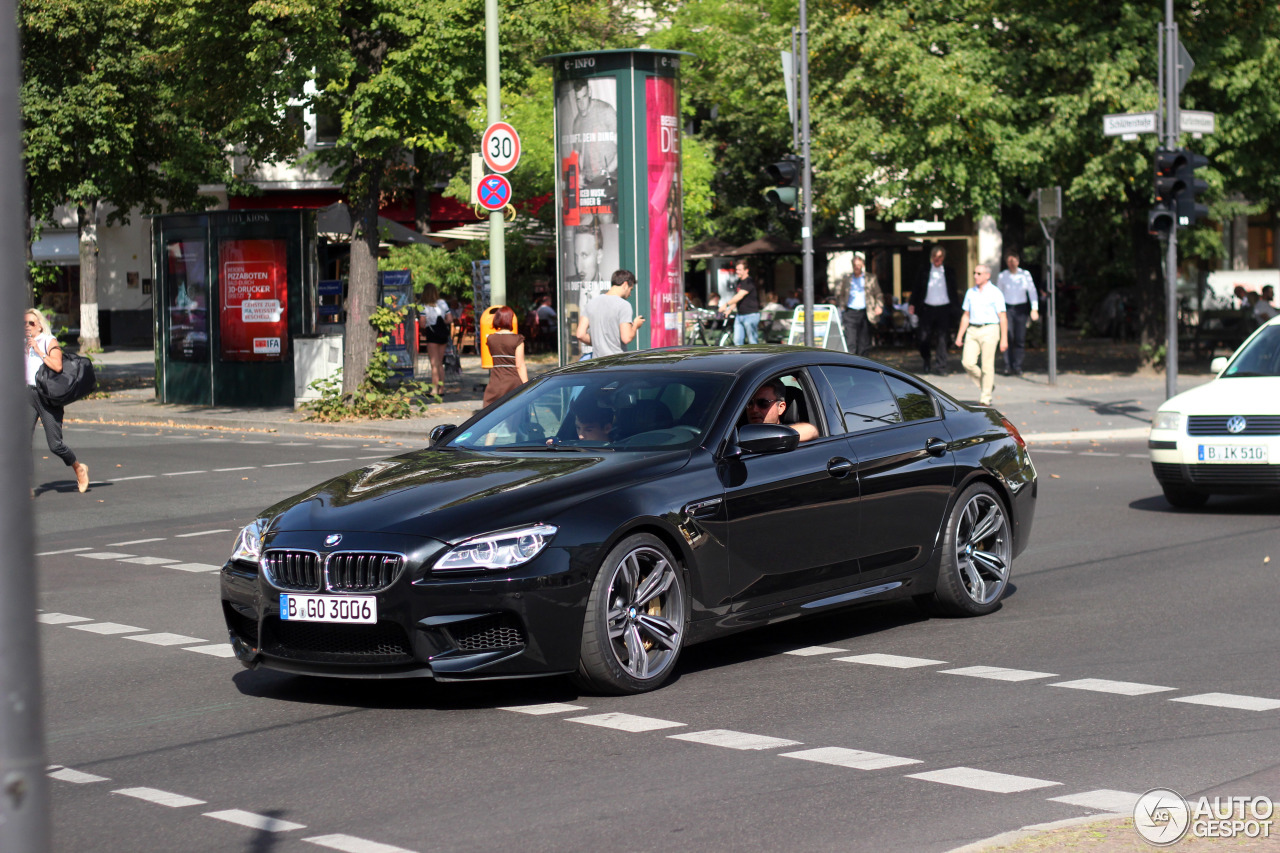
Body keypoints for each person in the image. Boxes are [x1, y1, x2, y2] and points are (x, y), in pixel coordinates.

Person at [25, 309, 89, 493]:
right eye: (24, 324)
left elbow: (58, 366)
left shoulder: (49, 341)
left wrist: (38, 351)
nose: (27, 327)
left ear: (40, 325)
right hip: (27, 395)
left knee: (55, 445)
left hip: (46, 396)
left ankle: (78, 467)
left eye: (31, 323)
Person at [955, 265, 1008, 406]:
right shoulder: (970, 292)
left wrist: (1004, 339)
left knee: (987, 365)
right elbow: (966, 315)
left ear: (987, 275)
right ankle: (987, 384)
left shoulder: (995, 292)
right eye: (974, 272)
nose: (975, 276)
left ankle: (986, 397)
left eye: (978, 273)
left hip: (990, 329)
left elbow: (1003, 316)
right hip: (973, 329)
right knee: (967, 362)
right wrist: (959, 336)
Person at [909, 247, 959, 374]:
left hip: (944, 308)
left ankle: (941, 366)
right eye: (935, 256)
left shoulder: (949, 271)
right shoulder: (924, 271)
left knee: (943, 338)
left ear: (943, 258)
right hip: (927, 308)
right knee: (923, 337)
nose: (937, 259)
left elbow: (953, 291)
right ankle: (926, 360)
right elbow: (916, 288)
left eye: (940, 256)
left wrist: (956, 308)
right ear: (931, 257)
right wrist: (912, 303)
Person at [576, 269, 645, 358]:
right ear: (625, 284)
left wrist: (599, 343)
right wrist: (635, 325)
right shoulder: (624, 305)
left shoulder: (591, 303)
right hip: (616, 363)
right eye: (631, 289)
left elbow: (580, 334)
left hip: (597, 363)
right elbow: (626, 337)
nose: (630, 294)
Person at [996, 252, 1039, 376]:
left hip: (1021, 308)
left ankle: (1018, 365)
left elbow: (1032, 292)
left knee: (1020, 337)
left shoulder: (1025, 275)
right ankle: (1007, 365)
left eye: (1014, 261)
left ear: (1018, 262)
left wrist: (1034, 308)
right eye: (1009, 261)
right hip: (1007, 308)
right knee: (1008, 335)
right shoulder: (1002, 275)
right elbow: (999, 294)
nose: (1012, 264)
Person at [833, 255, 885, 357]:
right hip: (850, 313)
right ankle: (851, 364)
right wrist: (842, 305)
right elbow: (840, 293)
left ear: (863, 265)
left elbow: (878, 294)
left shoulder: (870, 278)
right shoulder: (847, 279)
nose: (857, 268)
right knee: (851, 342)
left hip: (865, 312)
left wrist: (879, 306)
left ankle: (862, 365)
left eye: (859, 265)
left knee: (864, 343)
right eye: (855, 265)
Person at [571, 79, 618, 189]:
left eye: (584, 97)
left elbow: (623, 145)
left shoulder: (606, 110)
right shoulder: (577, 122)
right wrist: (579, 175)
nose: (581, 103)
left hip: (611, 178)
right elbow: (577, 154)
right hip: (590, 182)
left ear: (590, 92)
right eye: (578, 99)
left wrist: (608, 171)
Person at [744, 378, 817, 442]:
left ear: (781, 407)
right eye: (749, 403)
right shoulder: (735, 433)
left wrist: (769, 436)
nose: (754, 409)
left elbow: (811, 430)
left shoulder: (788, 434)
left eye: (763, 403)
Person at [482, 305, 528, 407]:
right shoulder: (517, 339)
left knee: (491, 414)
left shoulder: (490, 339)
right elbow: (520, 365)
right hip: (513, 382)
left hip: (495, 382)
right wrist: (527, 386)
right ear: (510, 319)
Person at [418, 284, 452, 396]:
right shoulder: (442, 303)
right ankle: (441, 389)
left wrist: (429, 323)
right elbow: (450, 319)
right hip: (443, 334)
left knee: (434, 363)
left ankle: (434, 390)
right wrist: (442, 323)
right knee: (440, 363)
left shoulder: (423, 306)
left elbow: (422, 323)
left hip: (432, 335)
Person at [721, 259, 761, 344]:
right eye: (736, 269)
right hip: (740, 315)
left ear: (746, 270)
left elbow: (740, 296)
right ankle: (740, 357)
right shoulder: (739, 282)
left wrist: (726, 304)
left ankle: (756, 357)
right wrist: (729, 309)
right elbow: (737, 299)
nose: (737, 272)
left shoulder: (749, 281)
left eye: (739, 270)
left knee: (752, 341)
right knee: (737, 341)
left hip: (750, 315)